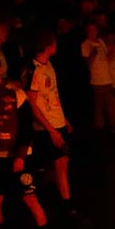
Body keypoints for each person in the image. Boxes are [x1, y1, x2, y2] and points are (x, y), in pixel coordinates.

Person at [0, 58, 51, 229]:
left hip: (16, 158)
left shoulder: (16, 93)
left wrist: (20, 156)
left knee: (30, 200)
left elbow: (27, 127)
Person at [24, 33, 78, 219]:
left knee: (62, 163)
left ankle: (64, 202)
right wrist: (51, 130)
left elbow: (53, 94)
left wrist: (64, 120)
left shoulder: (49, 65)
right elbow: (32, 104)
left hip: (57, 121)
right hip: (46, 127)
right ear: (47, 45)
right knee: (56, 164)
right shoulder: (34, 69)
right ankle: (62, 204)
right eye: (53, 42)